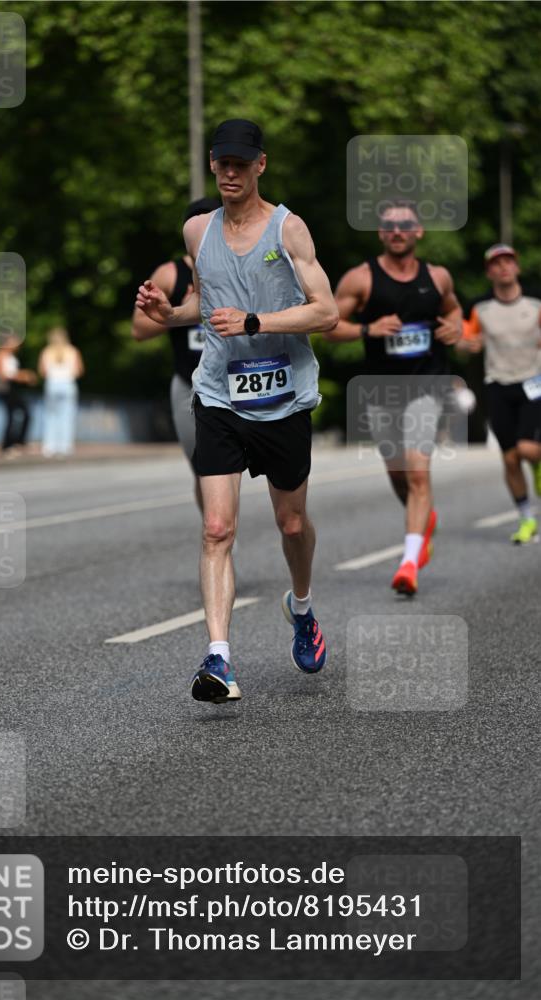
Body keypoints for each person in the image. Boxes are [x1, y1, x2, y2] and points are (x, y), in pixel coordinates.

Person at [136, 119, 338, 704]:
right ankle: (219, 658)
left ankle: (301, 607)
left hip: (283, 398)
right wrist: (168, 311)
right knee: (216, 527)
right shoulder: (198, 230)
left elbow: (324, 312)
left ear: (260, 166)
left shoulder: (289, 228)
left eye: (239, 164)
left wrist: (256, 321)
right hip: (220, 393)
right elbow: (204, 303)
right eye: (220, 163)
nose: (229, 173)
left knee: (291, 524)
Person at [330, 203, 462, 595]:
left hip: (428, 385)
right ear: (380, 233)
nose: (397, 231)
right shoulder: (361, 278)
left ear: (418, 231)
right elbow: (329, 325)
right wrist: (369, 328)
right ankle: (423, 523)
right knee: (399, 475)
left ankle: (409, 562)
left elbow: (454, 310)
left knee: (419, 472)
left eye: (405, 224)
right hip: (382, 390)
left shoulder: (437, 277)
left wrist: (454, 328)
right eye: (389, 225)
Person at [131, 197, 221, 511]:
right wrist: (177, 314)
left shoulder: (239, 264)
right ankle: (217, 531)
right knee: (202, 468)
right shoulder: (169, 274)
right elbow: (139, 329)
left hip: (235, 382)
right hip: (188, 384)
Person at [459, 244, 541, 544]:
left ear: (517, 267)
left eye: (508, 262)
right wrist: (468, 345)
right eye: (496, 263)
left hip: (534, 383)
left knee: (528, 449)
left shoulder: (535, 302)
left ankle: (537, 463)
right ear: (489, 271)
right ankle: (526, 519)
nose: (503, 267)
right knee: (509, 460)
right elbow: (463, 339)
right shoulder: (479, 307)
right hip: (497, 385)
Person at [38, 326, 84, 457]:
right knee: (67, 416)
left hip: (52, 384)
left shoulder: (46, 351)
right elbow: (79, 370)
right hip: (68, 384)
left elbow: (42, 371)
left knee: (51, 416)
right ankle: (65, 446)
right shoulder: (73, 351)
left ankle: (49, 447)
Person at [0, 335, 37, 455]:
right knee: (12, 416)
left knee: (23, 414)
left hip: (13, 389)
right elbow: (3, 374)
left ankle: (17, 442)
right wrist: (22, 377)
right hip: (6, 389)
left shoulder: (11, 356)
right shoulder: (1, 354)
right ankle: (7, 445)